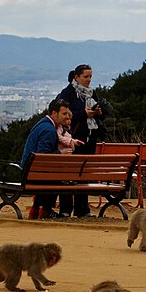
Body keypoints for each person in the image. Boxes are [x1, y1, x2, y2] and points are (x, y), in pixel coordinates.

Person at [50, 65, 107, 218]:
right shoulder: (68, 92)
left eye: (90, 77)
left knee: (84, 174)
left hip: (89, 138)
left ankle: (82, 208)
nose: (88, 80)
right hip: (73, 138)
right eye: (85, 77)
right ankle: (66, 208)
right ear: (77, 77)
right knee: (69, 174)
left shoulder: (91, 93)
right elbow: (62, 115)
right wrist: (83, 114)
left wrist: (98, 112)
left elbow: (98, 114)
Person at [18, 98, 72, 219]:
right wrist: (61, 153)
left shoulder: (42, 124)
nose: (66, 116)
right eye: (63, 114)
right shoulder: (49, 130)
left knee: (52, 177)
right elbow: (43, 157)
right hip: (34, 174)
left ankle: (36, 209)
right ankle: (46, 210)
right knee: (56, 178)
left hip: (30, 172)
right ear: (54, 113)